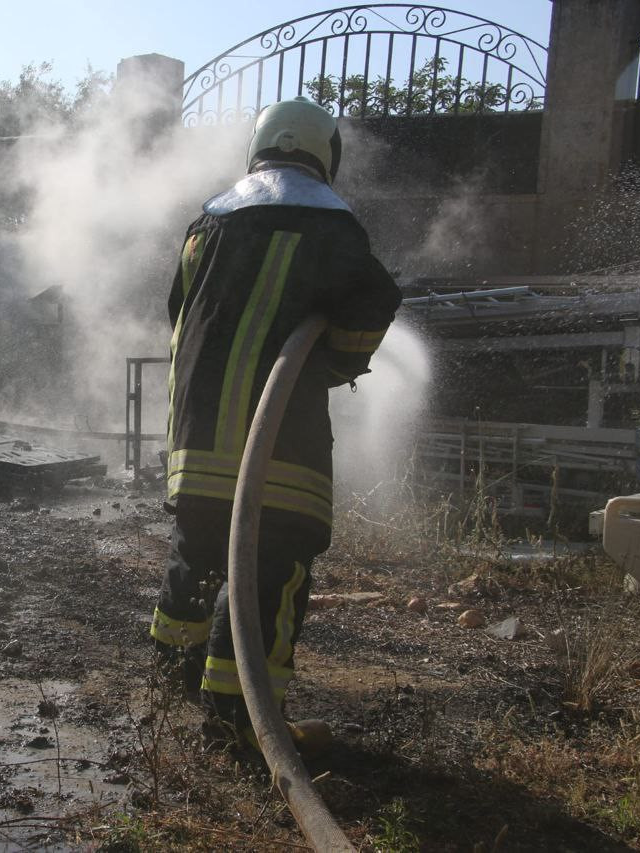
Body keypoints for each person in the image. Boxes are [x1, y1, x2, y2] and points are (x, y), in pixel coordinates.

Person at [148, 97, 402, 753]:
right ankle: (238, 724)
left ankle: (170, 678)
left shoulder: (207, 224)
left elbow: (179, 310)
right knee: (268, 577)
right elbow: (374, 304)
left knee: (197, 558)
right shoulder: (334, 228)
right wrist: (339, 359)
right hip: (281, 459)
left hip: (197, 444)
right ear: (324, 154)